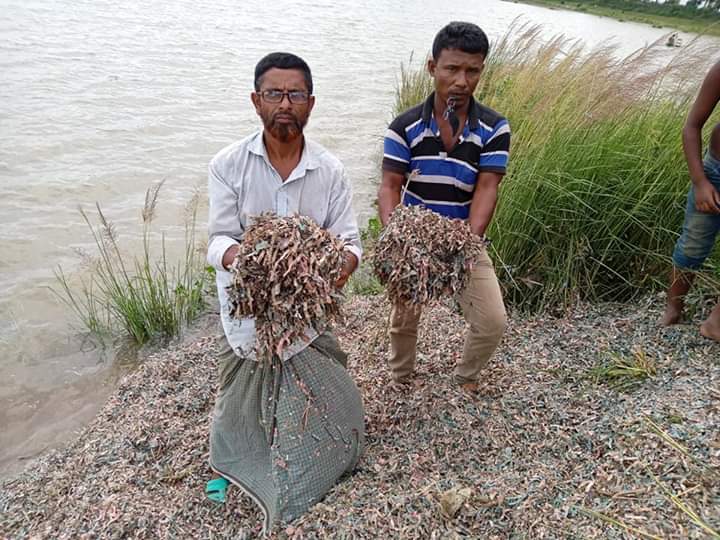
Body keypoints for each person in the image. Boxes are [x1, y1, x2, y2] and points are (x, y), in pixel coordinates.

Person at [205, 52, 365, 531]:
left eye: (295, 94)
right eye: (274, 93)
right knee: (239, 395)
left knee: (331, 395)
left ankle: (316, 455)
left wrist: (330, 275)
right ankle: (231, 463)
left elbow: (351, 243)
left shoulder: (330, 170)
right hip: (248, 311)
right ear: (256, 101)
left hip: (306, 316)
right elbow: (218, 239)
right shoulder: (227, 165)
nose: (285, 104)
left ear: (311, 104)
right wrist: (248, 263)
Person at [377, 22, 509, 394]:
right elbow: (390, 186)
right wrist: (397, 237)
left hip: (464, 236)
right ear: (432, 67)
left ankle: (465, 376)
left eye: (472, 70)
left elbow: (487, 188)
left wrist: (467, 240)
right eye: (452, 69)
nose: (462, 81)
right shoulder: (404, 127)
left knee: (492, 320)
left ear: (481, 70)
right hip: (414, 237)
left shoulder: (494, 128)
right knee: (404, 317)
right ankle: (402, 377)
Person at [662, 60, 720, 342]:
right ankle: (673, 307)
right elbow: (692, 126)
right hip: (714, 173)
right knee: (693, 243)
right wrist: (699, 181)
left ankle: (715, 321)